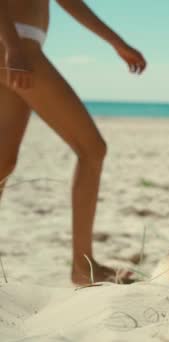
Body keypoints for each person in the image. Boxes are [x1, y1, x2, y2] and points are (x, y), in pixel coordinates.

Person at [0, 0, 146, 285]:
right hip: (18, 47)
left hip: (16, 44)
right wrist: (14, 46)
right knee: (92, 149)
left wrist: (117, 43)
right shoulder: (17, 46)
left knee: (3, 162)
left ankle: (82, 265)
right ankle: (82, 265)